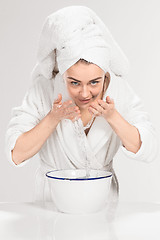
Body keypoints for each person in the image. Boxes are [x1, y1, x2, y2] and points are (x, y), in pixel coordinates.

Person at [5, 6, 158, 202]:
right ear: (63, 73)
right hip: (52, 201)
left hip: (102, 202)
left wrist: (113, 117)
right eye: (74, 82)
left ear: (105, 73)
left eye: (94, 82)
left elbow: (149, 149)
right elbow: (15, 154)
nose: (85, 93)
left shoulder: (119, 90)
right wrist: (53, 118)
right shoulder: (44, 88)